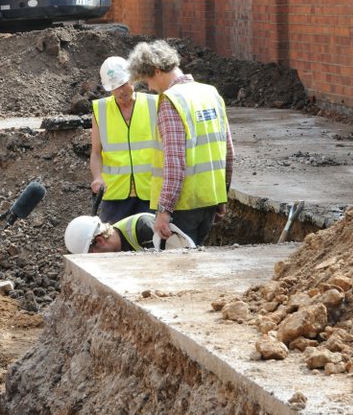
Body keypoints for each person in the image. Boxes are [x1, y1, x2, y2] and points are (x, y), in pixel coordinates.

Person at [127, 40, 233, 246]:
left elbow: (175, 162)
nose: (149, 87)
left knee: (180, 269)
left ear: (157, 70)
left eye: (148, 79)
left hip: (183, 206)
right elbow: (228, 152)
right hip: (210, 200)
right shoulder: (210, 93)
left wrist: (164, 211)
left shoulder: (171, 100)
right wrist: (222, 197)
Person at [89, 56, 158, 222]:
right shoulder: (101, 110)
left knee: (150, 244)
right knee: (112, 242)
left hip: (150, 192)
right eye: (114, 87)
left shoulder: (154, 104)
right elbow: (96, 153)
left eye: (123, 84)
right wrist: (97, 177)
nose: (120, 91)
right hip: (115, 195)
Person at [64, 213, 195, 255]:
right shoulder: (116, 239)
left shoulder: (144, 229)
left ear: (100, 241)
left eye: (91, 254)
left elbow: (175, 264)